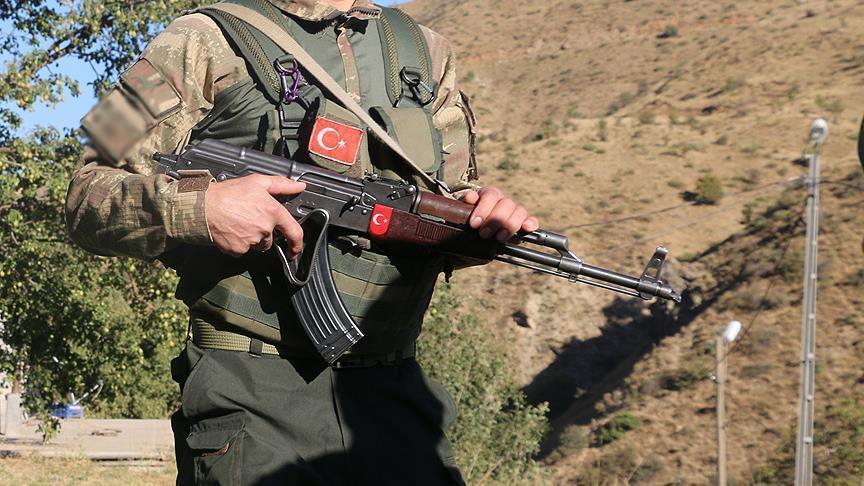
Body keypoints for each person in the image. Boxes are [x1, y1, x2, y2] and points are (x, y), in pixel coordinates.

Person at [65, 0, 538, 484]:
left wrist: (484, 220)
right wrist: (202, 209)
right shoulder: (198, 37)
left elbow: (447, 202)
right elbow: (83, 192)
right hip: (251, 394)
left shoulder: (424, 52)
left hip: (396, 396)